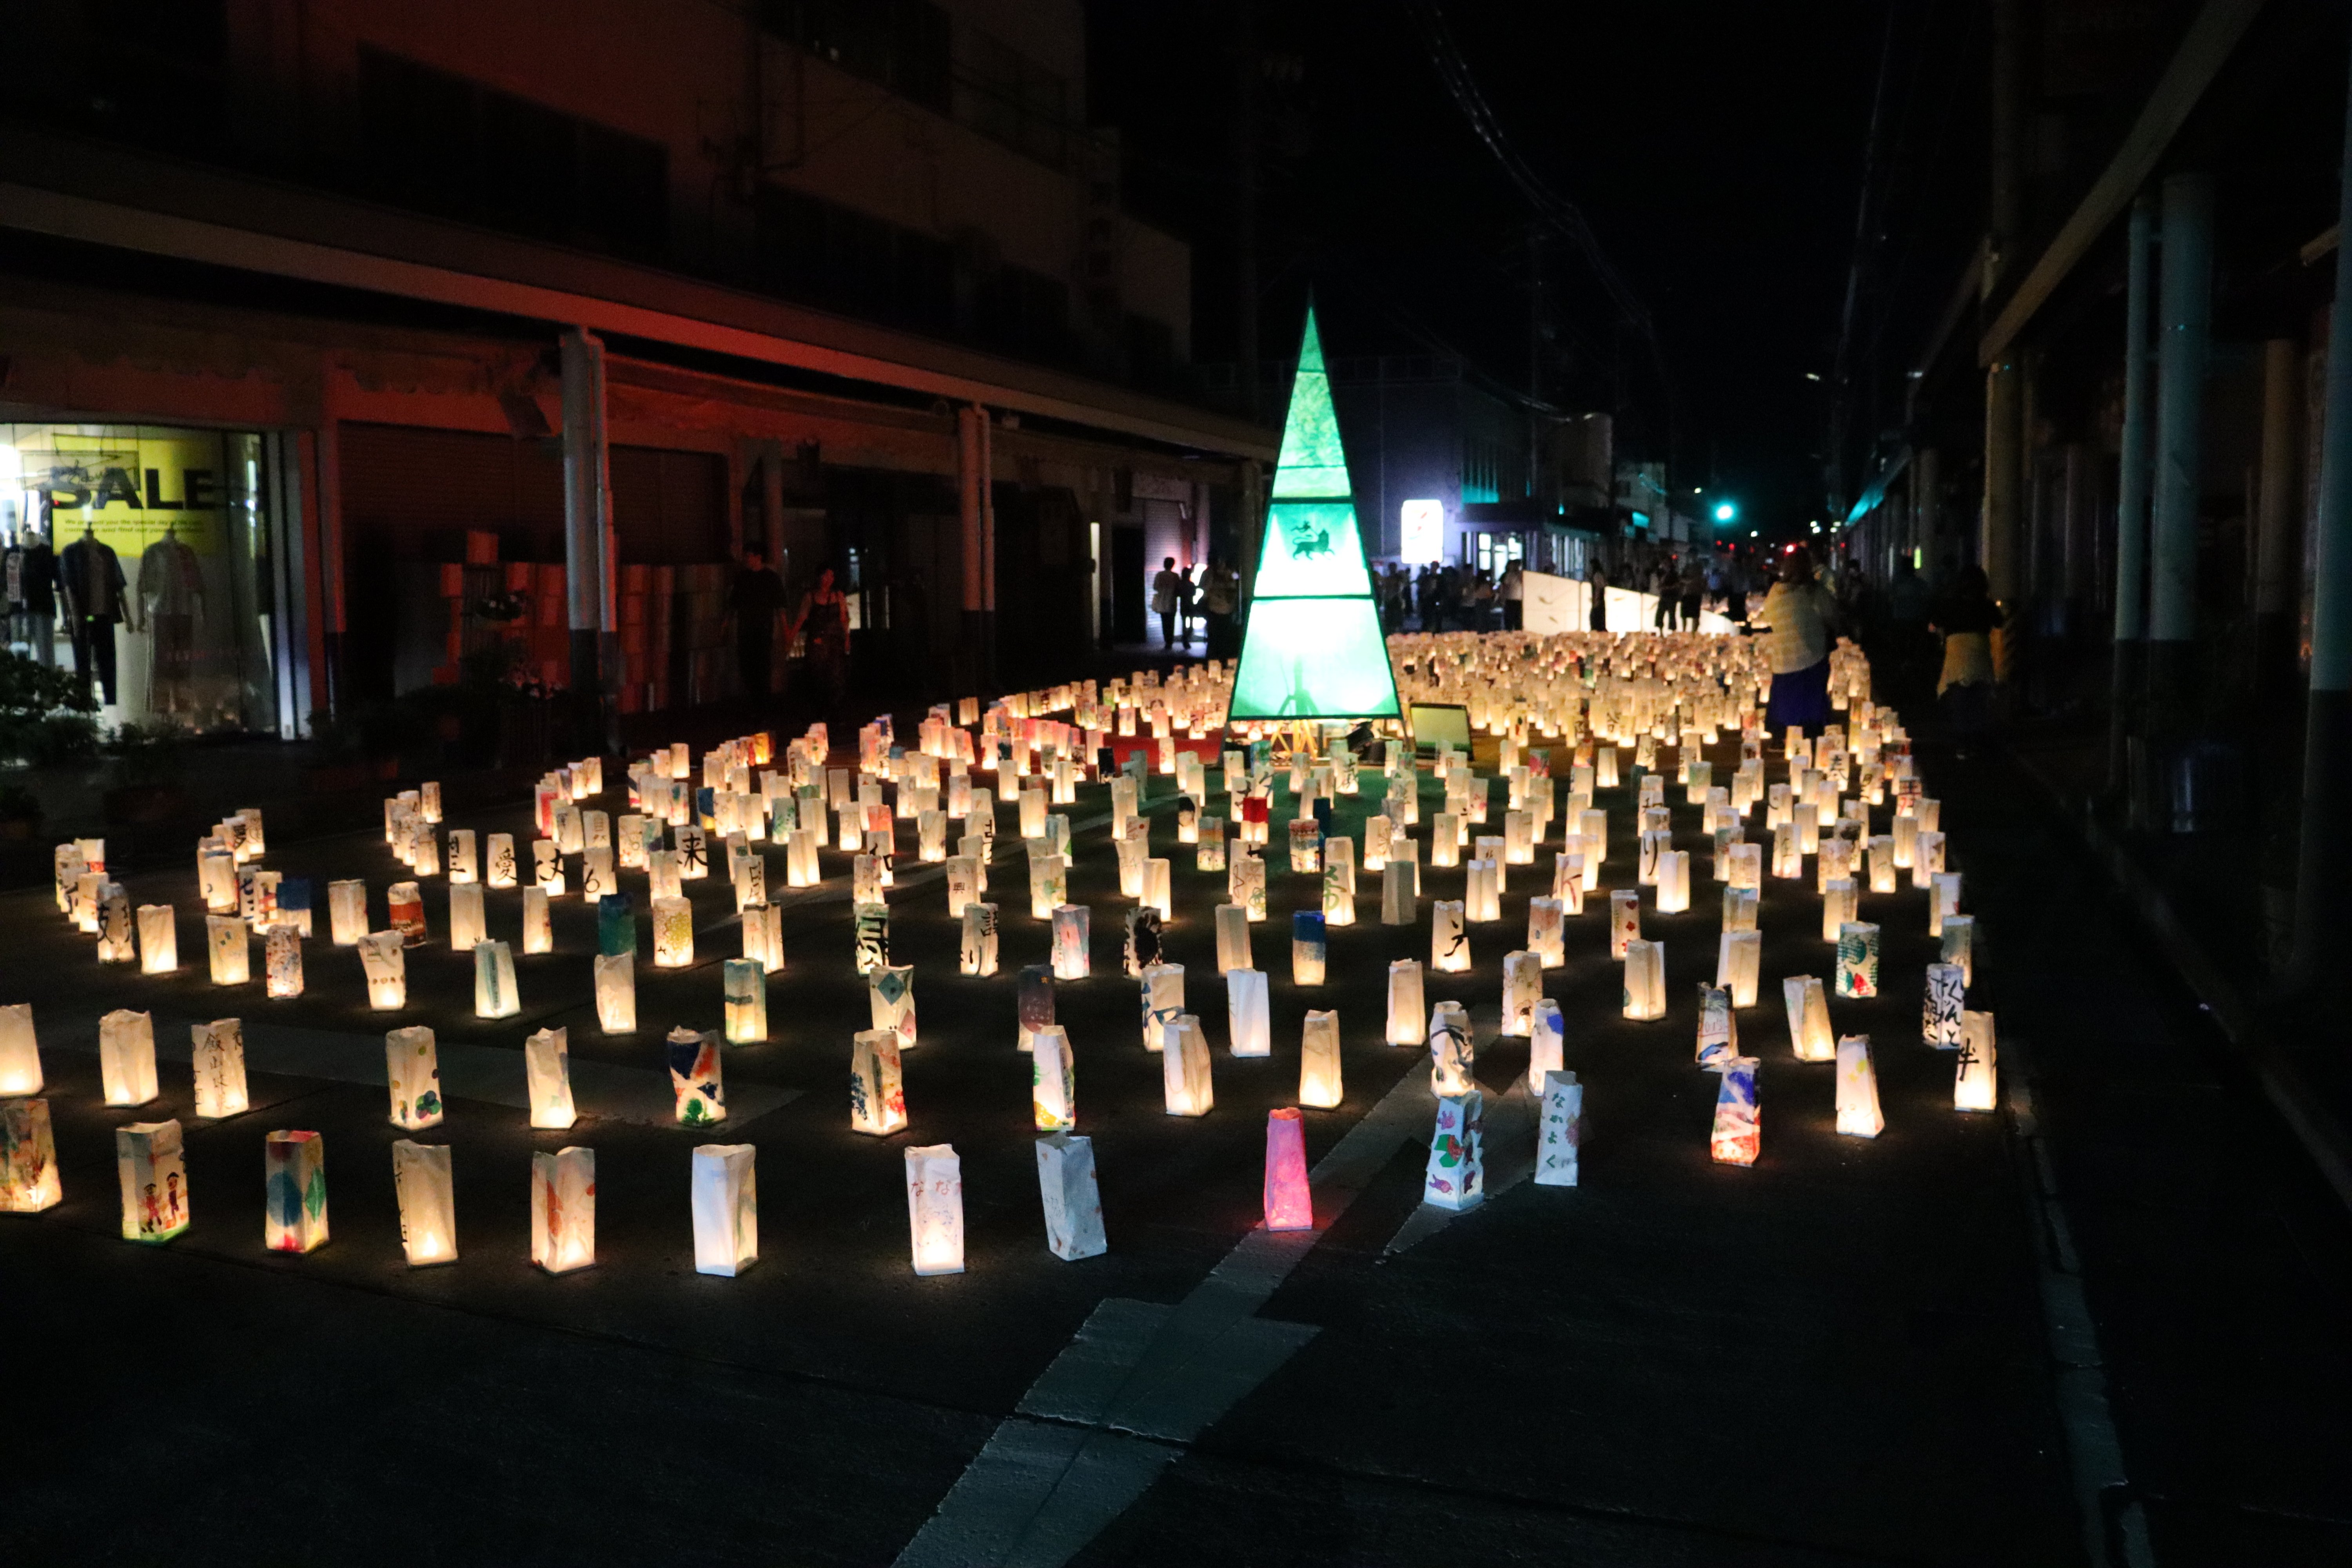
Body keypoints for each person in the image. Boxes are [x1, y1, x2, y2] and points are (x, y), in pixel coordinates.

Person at [1750, 546, 1842, 735]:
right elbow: (1832, 614)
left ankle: (1783, 734)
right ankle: (1810, 734)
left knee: (1785, 698)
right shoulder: (1814, 591)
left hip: (1784, 657)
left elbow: (1768, 616)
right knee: (1811, 700)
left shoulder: (1776, 591)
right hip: (1812, 655)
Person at [1930, 564, 2001, 757]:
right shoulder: (1986, 605)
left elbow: (1934, 623)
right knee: (1979, 699)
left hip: (1957, 656)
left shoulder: (1950, 604)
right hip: (1980, 656)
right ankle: (1977, 740)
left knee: (1959, 699)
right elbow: (2000, 622)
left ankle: (1962, 744)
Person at [727, 547, 788, 701]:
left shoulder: (770, 578)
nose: (747, 559)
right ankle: (756, 699)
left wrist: (785, 629)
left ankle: (761, 700)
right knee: (749, 665)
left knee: (761, 664)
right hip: (747, 629)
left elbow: (780, 606)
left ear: (758, 557)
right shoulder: (743, 578)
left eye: (749, 556)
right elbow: (733, 605)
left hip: (762, 629)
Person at [790, 565, 851, 717]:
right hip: (817, 642)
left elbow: (844, 618)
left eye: (832, 576)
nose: (830, 579)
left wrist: (847, 637)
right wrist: (791, 637)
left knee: (836, 675)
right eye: (827, 575)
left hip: (835, 641)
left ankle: (835, 711)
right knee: (818, 675)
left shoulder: (839, 596)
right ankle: (819, 711)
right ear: (820, 577)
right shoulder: (811, 597)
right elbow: (801, 618)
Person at [1199, 554, 1240, 657]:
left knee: (1213, 635)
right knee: (1224, 634)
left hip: (1213, 608)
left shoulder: (1208, 573)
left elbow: (1203, 587)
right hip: (1228, 608)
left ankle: (1213, 655)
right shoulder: (1230, 573)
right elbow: (1237, 578)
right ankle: (1224, 655)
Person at [1151, 556, 1185, 652]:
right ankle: (1170, 642)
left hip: (1162, 603)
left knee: (1164, 624)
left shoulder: (1159, 575)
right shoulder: (1175, 576)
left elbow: (1155, 587)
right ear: (1173, 565)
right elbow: (1179, 590)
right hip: (1171, 603)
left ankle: (1167, 642)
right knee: (1171, 624)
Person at [1499, 561, 1524, 631]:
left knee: (1518, 621)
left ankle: (1518, 634)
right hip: (1510, 600)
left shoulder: (1522, 575)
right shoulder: (1509, 575)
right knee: (1509, 621)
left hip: (1519, 600)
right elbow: (1504, 587)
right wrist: (1503, 597)